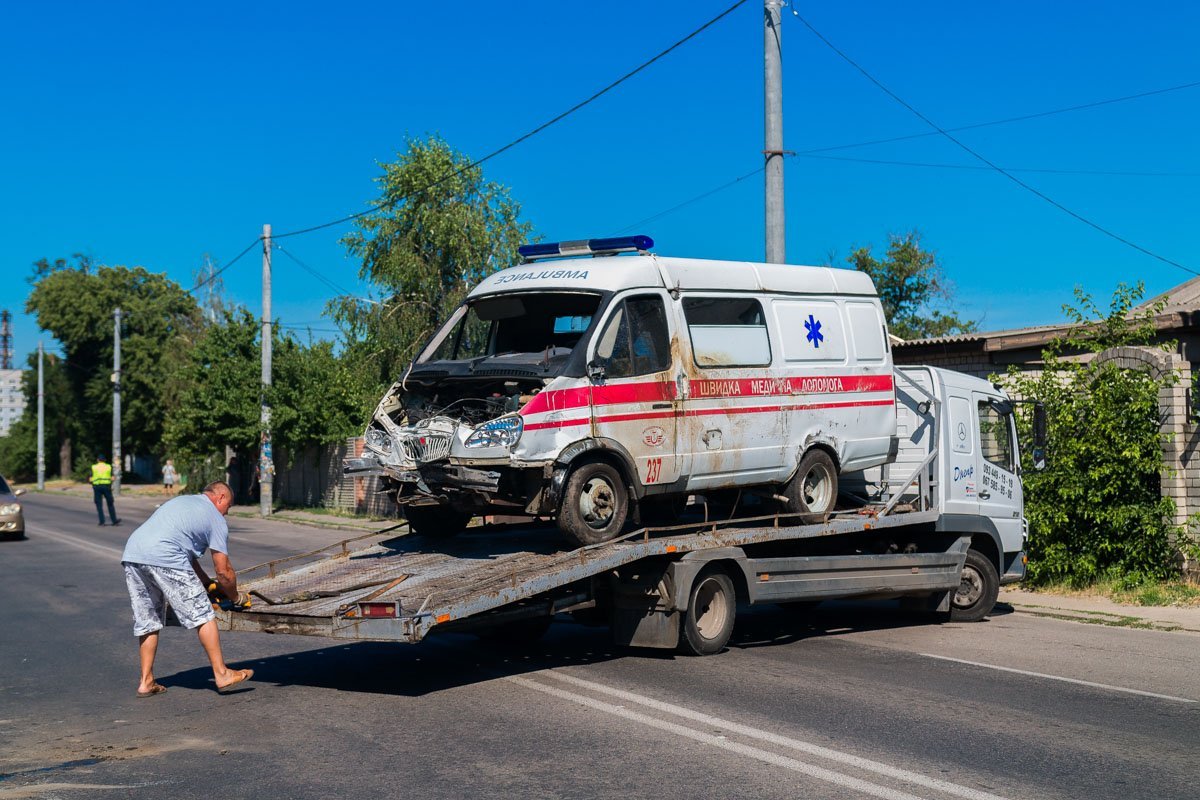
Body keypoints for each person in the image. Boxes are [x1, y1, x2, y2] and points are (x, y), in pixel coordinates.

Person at [120, 480, 254, 697]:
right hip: (165, 557)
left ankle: (146, 681)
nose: (226, 513)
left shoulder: (183, 502)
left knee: (148, 619)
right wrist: (235, 597)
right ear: (220, 497)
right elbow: (224, 571)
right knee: (203, 613)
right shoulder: (215, 518)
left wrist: (206, 584)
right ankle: (222, 674)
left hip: (134, 554)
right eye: (227, 507)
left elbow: (188, 556)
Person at [90, 455, 120, 526]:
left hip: (97, 487)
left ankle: (102, 522)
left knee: (99, 505)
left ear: (98, 460)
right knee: (110, 503)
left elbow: (90, 479)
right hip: (107, 487)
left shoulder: (94, 467)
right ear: (105, 460)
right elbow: (112, 478)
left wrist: (93, 484)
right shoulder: (108, 467)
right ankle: (114, 520)